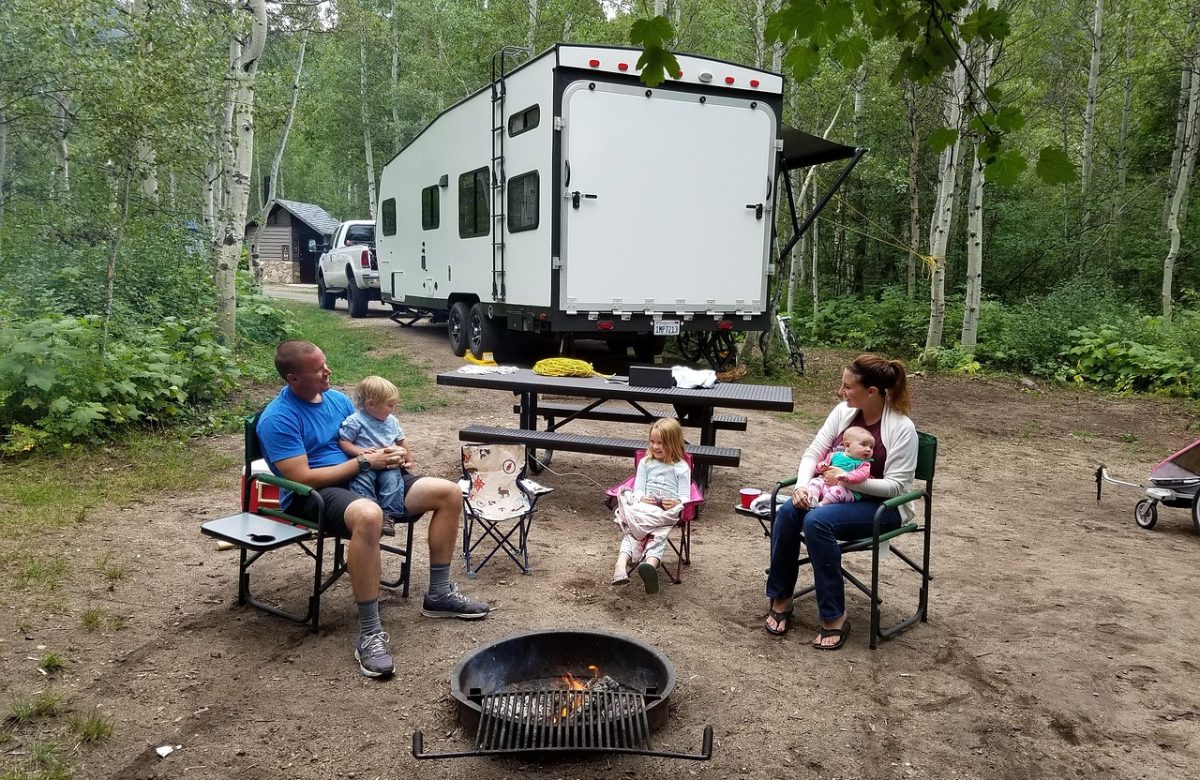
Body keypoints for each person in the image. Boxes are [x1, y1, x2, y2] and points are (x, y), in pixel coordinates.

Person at [256, 340, 489, 680]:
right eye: (319, 369)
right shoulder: (278, 418)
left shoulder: (335, 400)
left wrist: (397, 455)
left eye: (326, 363)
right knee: (369, 515)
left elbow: (370, 433)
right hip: (315, 494)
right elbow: (302, 476)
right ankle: (370, 632)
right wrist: (366, 462)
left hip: (371, 477)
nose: (328, 371)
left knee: (448, 492)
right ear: (293, 378)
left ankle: (438, 594)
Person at [764, 354, 916, 650]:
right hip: (833, 497)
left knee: (816, 521)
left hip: (882, 508)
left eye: (847, 387)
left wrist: (850, 480)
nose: (840, 392)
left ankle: (834, 616)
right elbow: (813, 453)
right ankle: (781, 597)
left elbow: (897, 486)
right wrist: (804, 487)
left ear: (870, 391)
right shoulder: (842, 413)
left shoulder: (901, 428)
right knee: (787, 512)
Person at [611, 419, 691, 594]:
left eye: (661, 443)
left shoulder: (681, 468)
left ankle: (649, 566)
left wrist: (678, 502)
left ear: (674, 443)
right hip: (644, 509)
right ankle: (621, 565)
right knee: (634, 531)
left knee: (658, 535)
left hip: (665, 513)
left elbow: (686, 496)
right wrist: (642, 498)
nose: (655, 447)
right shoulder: (646, 463)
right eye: (652, 442)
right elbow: (638, 489)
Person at [337, 376, 413, 537]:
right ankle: (370, 509)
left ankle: (389, 515)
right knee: (361, 481)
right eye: (389, 405)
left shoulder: (391, 421)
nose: (392, 409)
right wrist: (359, 452)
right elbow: (344, 442)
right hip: (367, 464)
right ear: (371, 404)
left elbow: (401, 441)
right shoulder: (355, 421)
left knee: (393, 481)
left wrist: (408, 459)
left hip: (388, 463)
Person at [804, 426, 875, 506]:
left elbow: (862, 475)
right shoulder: (834, 455)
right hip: (826, 484)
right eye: (864, 445)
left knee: (837, 491)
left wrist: (847, 477)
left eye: (871, 447)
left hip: (847, 490)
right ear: (847, 446)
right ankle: (813, 500)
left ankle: (821, 505)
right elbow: (821, 467)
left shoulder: (864, 464)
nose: (868, 449)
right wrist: (822, 466)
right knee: (815, 481)